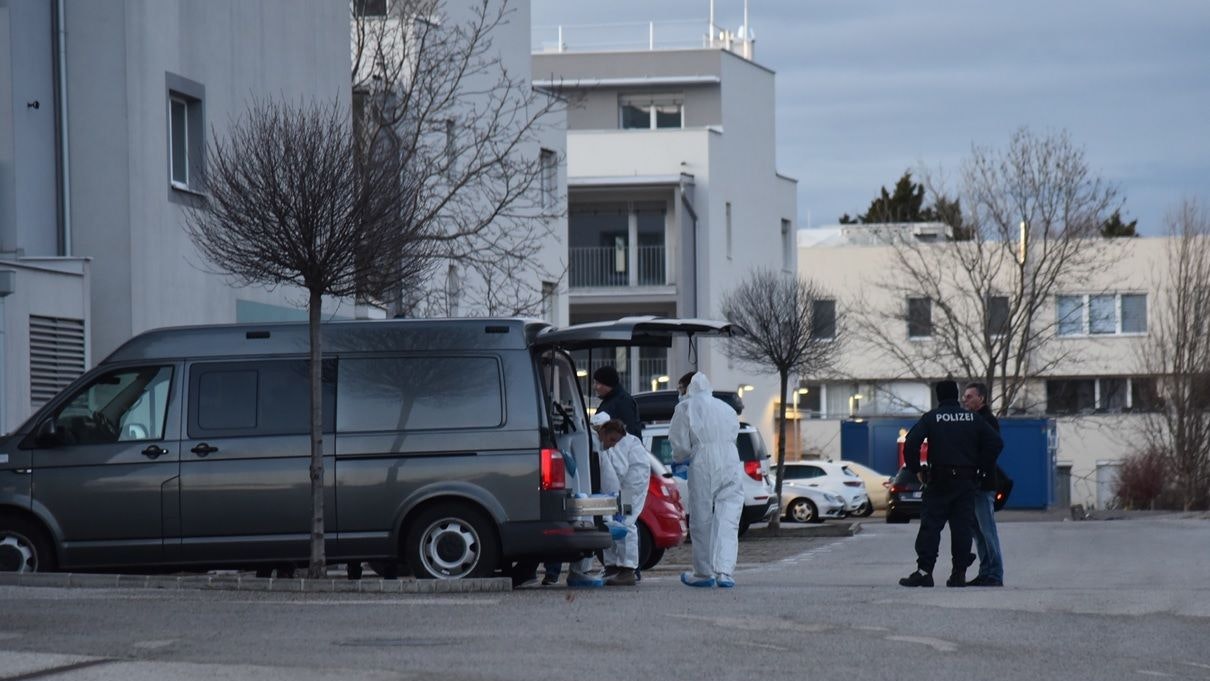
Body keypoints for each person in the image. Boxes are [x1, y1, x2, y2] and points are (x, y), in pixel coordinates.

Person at [899, 380, 1003, 588]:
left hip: (939, 481)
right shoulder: (972, 418)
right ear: (956, 395)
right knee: (961, 528)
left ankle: (925, 572)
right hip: (965, 482)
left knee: (931, 527)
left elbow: (911, 443)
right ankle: (958, 574)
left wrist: (916, 469)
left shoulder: (932, 418)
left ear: (939, 397)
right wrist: (980, 467)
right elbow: (996, 443)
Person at [669, 371, 744, 588]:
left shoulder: (685, 407)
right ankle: (725, 572)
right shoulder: (726, 408)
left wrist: (681, 458)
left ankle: (704, 572)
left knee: (702, 517)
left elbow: (680, 444)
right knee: (728, 518)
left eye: (680, 389)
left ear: (687, 387)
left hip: (703, 461)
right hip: (731, 461)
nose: (679, 393)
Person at [595, 418, 651, 586]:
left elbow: (618, 470)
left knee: (625, 523)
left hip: (628, 490)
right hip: (626, 487)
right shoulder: (623, 440)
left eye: (612, 441)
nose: (611, 444)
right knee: (613, 523)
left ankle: (627, 569)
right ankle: (613, 566)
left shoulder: (619, 444)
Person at [962, 382, 1005, 587]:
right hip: (972, 484)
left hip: (983, 484)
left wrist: (980, 469)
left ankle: (995, 574)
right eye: (964, 396)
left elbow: (994, 447)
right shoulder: (972, 420)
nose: (965, 399)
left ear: (982, 398)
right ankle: (985, 571)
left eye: (969, 396)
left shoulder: (988, 421)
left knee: (987, 530)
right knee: (978, 532)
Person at [593, 366, 642, 437]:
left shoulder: (623, 402)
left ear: (607, 384)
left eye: (597, 383)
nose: (594, 387)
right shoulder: (610, 400)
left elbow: (629, 432)